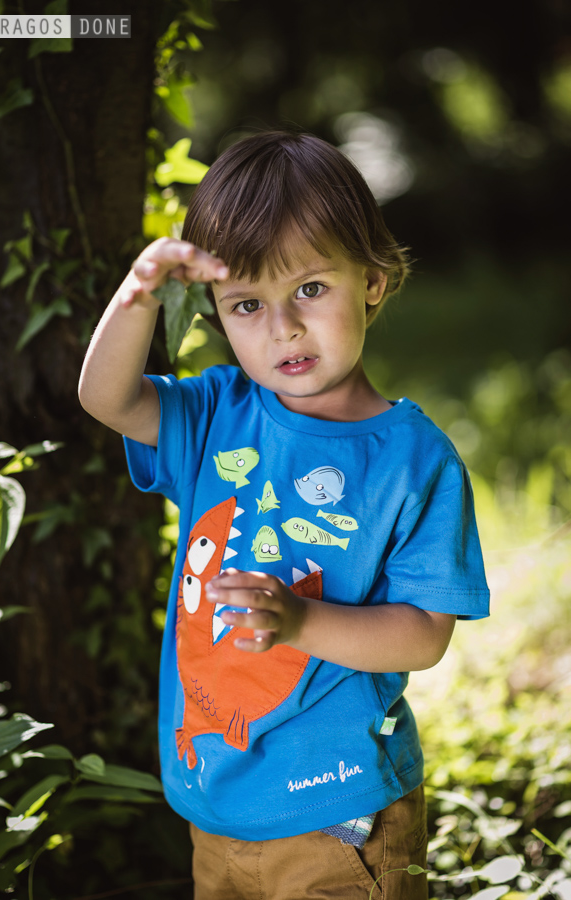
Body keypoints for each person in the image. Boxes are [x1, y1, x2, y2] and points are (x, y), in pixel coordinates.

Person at [78, 131, 490, 899]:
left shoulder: (414, 461)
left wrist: (300, 625)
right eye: (246, 304)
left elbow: (424, 635)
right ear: (215, 315)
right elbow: (104, 398)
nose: (282, 328)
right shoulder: (215, 415)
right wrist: (138, 288)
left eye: (308, 288)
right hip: (216, 798)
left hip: (341, 812)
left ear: (371, 280)